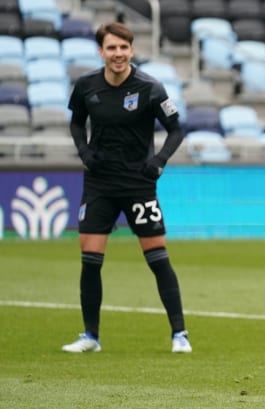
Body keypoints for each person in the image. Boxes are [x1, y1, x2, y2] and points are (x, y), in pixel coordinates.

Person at [61, 22, 191, 353]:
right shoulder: (86, 86)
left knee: (157, 258)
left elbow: (176, 130)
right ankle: (90, 336)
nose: (118, 54)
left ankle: (179, 335)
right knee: (90, 259)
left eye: (123, 48)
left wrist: (159, 160)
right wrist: (84, 152)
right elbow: (76, 122)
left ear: (131, 51)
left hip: (138, 183)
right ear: (101, 51)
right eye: (111, 48)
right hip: (100, 183)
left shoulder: (150, 87)